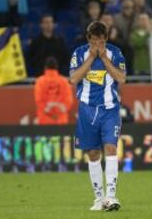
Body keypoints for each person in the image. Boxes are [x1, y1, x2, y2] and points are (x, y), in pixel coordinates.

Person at [69, 21, 126, 211]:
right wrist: (91, 58)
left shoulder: (115, 53)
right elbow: (74, 78)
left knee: (111, 147)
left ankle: (111, 196)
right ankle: (99, 199)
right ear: (88, 40)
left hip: (110, 109)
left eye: (101, 42)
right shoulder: (79, 53)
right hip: (87, 109)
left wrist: (104, 59)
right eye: (94, 42)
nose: (97, 46)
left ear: (106, 39)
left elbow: (121, 78)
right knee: (93, 153)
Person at [34, 57, 73, 125]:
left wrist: (49, 112)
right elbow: (68, 102)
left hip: (44, 121)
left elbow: (39, 101)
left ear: (45, 67)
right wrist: (58, 111)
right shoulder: (64, 82)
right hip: (61, 121)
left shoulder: (40, 82)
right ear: (57, 67)